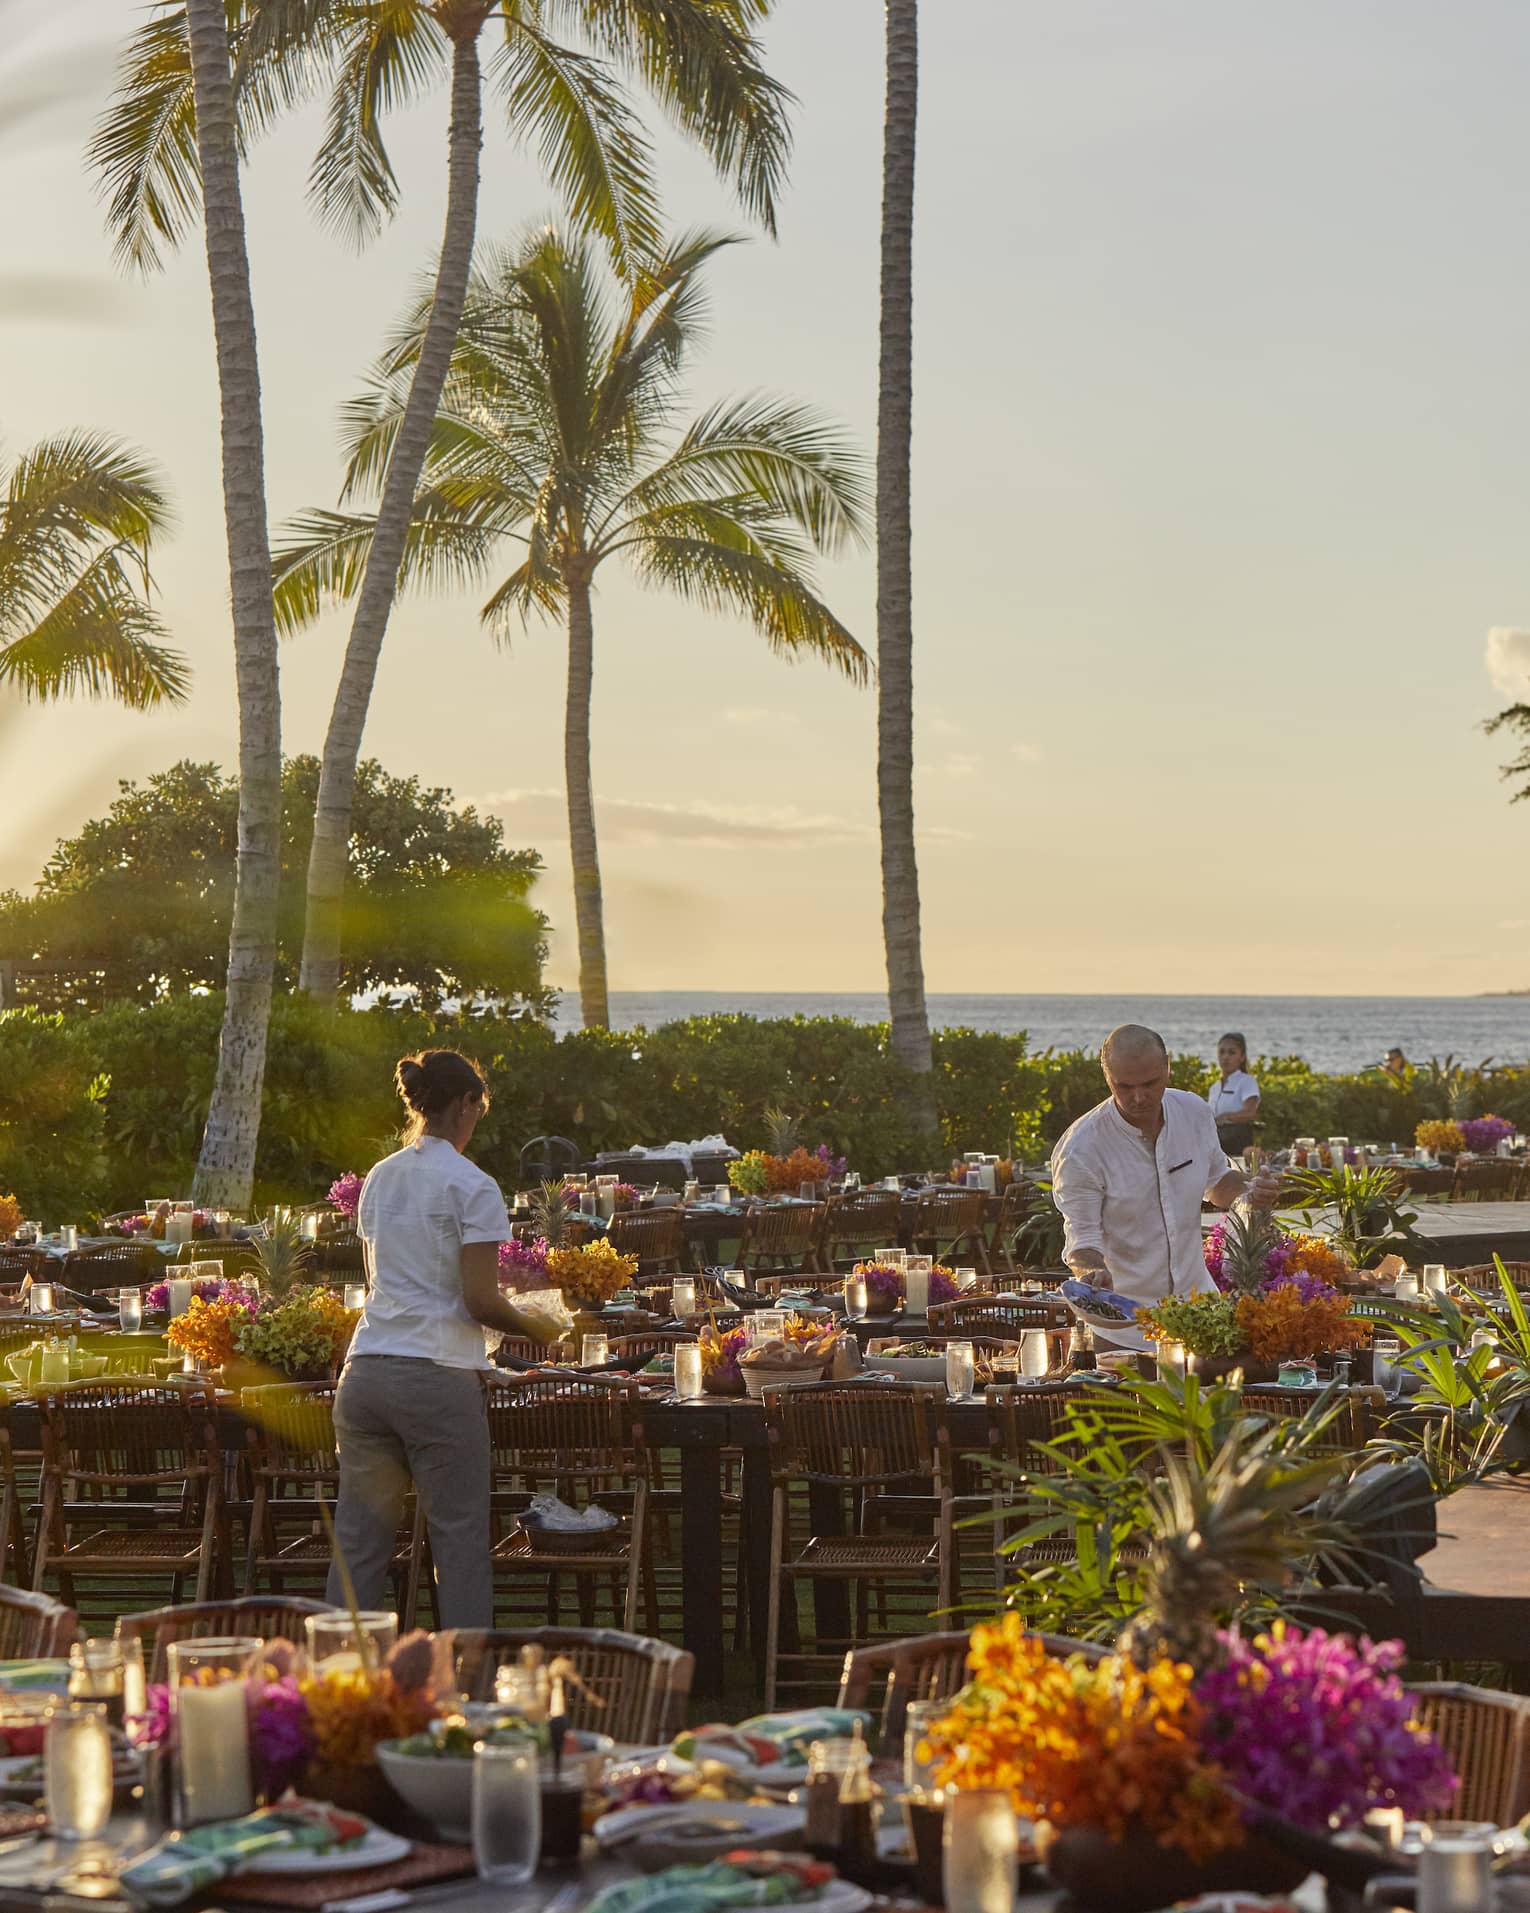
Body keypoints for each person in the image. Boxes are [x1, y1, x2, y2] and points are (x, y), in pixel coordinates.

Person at [328, 1048, 554, 1628]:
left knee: (358, 1544)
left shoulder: (380, 1176)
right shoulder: (471, 1184)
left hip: (366, 1373)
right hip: (434, 1377)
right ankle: (465, 1691)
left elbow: (387, 1279)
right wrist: (540, 1326)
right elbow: (479, 1300)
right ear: (465, 1104)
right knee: (458, 1544)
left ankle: (331, 1687)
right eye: (480, 1109)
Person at [1051, 1025, 1282, 1335]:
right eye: (1124, 1086)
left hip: (1202, 1314)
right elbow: (1082, 1240)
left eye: (1150, 1083)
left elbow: (1218, 1182)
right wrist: (1093, 1271)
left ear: (1167, 1066)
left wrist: (1253, 1192)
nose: (1139, 1097)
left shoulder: (1194, 1112)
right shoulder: (1081, 1149)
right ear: (1106, 1076)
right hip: (1127, 1328)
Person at [1206, 1032, 1260, 1157]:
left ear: (1242, 1057)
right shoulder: (1214, 1088)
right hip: (1215, 1145)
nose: (1225, 1057)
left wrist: (1226, 1117)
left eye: (1231, 1052)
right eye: (1222, 1052)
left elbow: (1250, 1113)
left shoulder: (1246, 1081)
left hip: (1237, 1144)